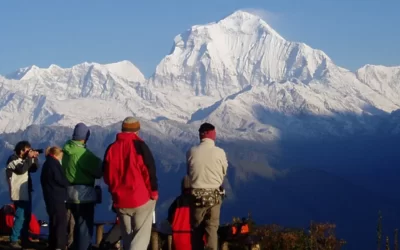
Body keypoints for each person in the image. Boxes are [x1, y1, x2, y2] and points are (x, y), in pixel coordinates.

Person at [103, 117, 158, 250]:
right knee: (140, 236)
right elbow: (148, 170)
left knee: (127, 236)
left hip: (120, 200)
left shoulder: (111, 148)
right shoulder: (139, 146)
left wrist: (114, 190)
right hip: (140, 198)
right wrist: (154, 192)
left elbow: (106, 175)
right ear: (136, 131)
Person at [186, 123, 228, 250]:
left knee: (196, 229)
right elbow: (224, 171)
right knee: (212, 228)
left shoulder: (191, 152)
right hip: (214, 195)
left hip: (196, 196)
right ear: (212, 134)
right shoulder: (219, 152)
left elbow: (189, 172)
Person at [62, 123, 102, 250]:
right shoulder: (84, 154)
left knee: (73, 225)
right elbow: (99, 171)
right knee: (84, 225)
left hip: (67, 193)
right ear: (85, 137)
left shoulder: (66, 150)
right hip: (83, 195)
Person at [5, 141, 39, 249]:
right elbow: (21, 169)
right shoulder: (13, 159)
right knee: (20, 215)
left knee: (27, 216)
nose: (28, 152)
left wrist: (34, 158)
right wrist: (29, 158)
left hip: (26, 190)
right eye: (27, 150)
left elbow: (34, 168)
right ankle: (14, 239)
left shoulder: (25, 160)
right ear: (21, 151)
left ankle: (25, 239)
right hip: (18, 191)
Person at [41, 146, 70, 250]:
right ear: (57, 154)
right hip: (57, 197)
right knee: (60, 223)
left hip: (51, 197)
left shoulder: (48, 163)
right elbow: (59, 179)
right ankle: (59, 245)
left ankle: (53, 244)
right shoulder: (53, 164)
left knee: (54, 222)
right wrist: (68, 182)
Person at [167, 176, 193, 250]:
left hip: (178, 242)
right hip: (195, 242)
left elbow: (169, 220)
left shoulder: (176, 202)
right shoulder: (197, 201)